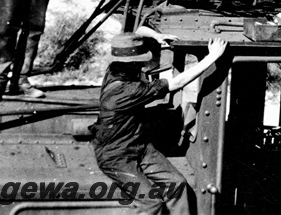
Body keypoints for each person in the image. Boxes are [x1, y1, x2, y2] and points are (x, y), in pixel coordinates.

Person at [91, 33, 228, 215]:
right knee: (150, 202)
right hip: (115, 156)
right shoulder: (128, 91)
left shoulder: (113, 70)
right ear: (133, 63)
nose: (143, 64)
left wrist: (158, 36)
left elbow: (138, 30)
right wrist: (213, 56)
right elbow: (178, 82)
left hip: (139, 146)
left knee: (177, 184)